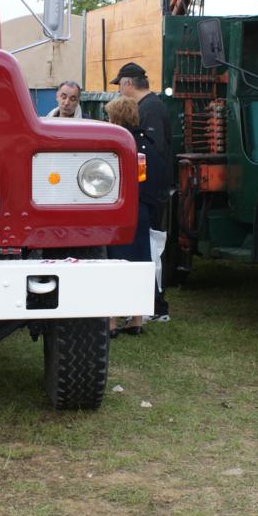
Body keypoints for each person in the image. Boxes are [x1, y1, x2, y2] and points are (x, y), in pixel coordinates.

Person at [110, 62, 171, 318]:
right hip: (147, 194)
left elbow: (153, 154)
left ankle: (153, 305)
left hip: (147, 195)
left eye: (120, 86)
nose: (119, 91)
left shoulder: (150, 108)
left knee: (150, 250)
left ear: (127, 83)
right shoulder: (150, 106)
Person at [103, 95, 167, 337]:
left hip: (117, 212)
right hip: (141, 212)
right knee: (139, 263)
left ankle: (111, 321)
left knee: (113, 265)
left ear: (116, 119)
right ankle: (136, 319)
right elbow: (157, 178)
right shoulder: (147, 144)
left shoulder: (116, 145)